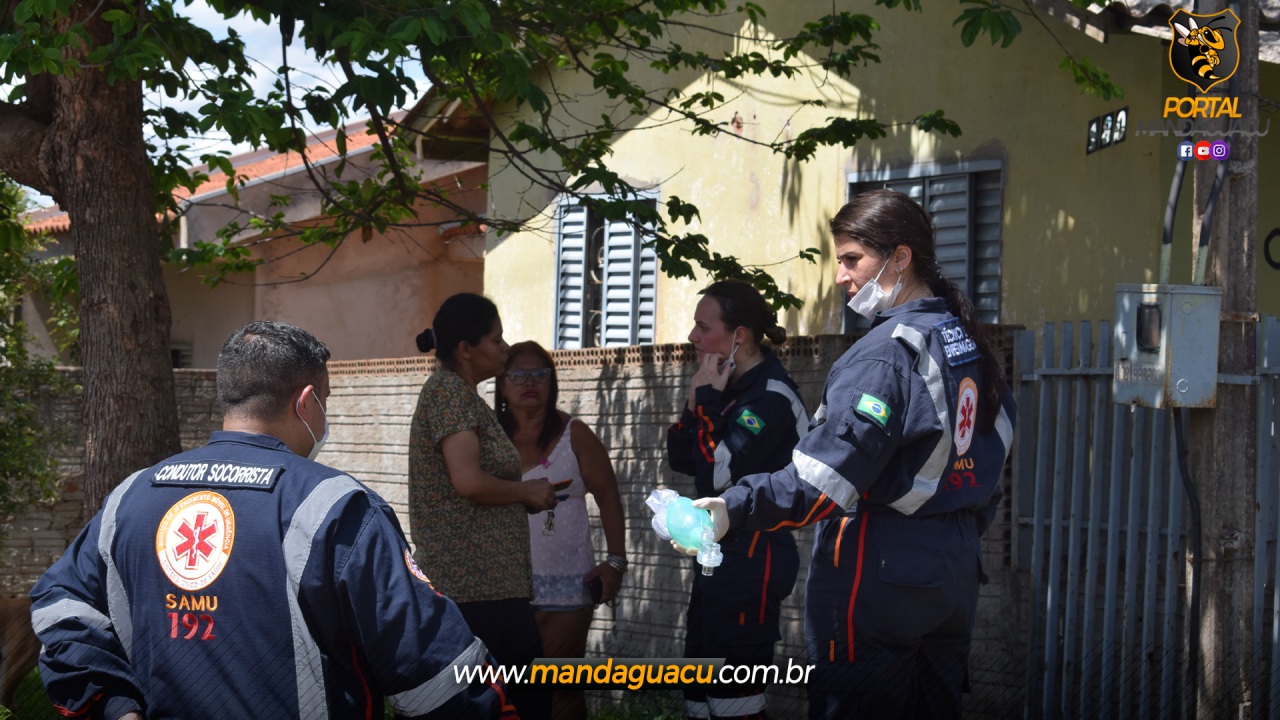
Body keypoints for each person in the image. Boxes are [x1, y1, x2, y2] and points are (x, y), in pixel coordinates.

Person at [29, 321, 514, 720]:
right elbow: (430, 662)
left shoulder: (132, 495)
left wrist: (114, 706)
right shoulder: (336, 506)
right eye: (326, 400)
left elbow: (59, 602)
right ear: (306, 402)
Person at [688, 190, 1017, 719]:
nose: (840, 275)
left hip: (878, 571)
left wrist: (731, 508)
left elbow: (823, 478)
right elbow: (993, 456)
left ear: (900, 257)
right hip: (953, 571)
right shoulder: (965, 340)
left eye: (851, 259)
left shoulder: (889, 351)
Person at [667, 280, 810, 720]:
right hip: (716, 553)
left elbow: (719, 476)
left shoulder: (770, 396)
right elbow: (681, 459)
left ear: (739, 335)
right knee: (698, 693)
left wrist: (707, 403)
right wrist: (697, 405)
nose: (692, 336)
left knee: (734, 701)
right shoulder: (727, 384)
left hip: (754, 557)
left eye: (702, 327)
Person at [410, 293, 555, 720]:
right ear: (466, 350)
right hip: (473, 591)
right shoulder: (449, 393)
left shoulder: (462, 394)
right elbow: (469, 481)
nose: (505, 348)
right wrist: (526, 493)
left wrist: (521, 496)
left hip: (491, 587)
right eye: (497, 339)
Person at [496, 341, 628, 720]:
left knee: (562, 690)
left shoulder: (576, 435)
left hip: (567, 585)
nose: (529, 382)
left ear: (552, 381)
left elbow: (609, 498)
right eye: (517, 375)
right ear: (502, 385)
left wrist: (616, 562)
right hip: (503, 587)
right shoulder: (487, 438)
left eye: (539, 372)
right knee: (508, 690)